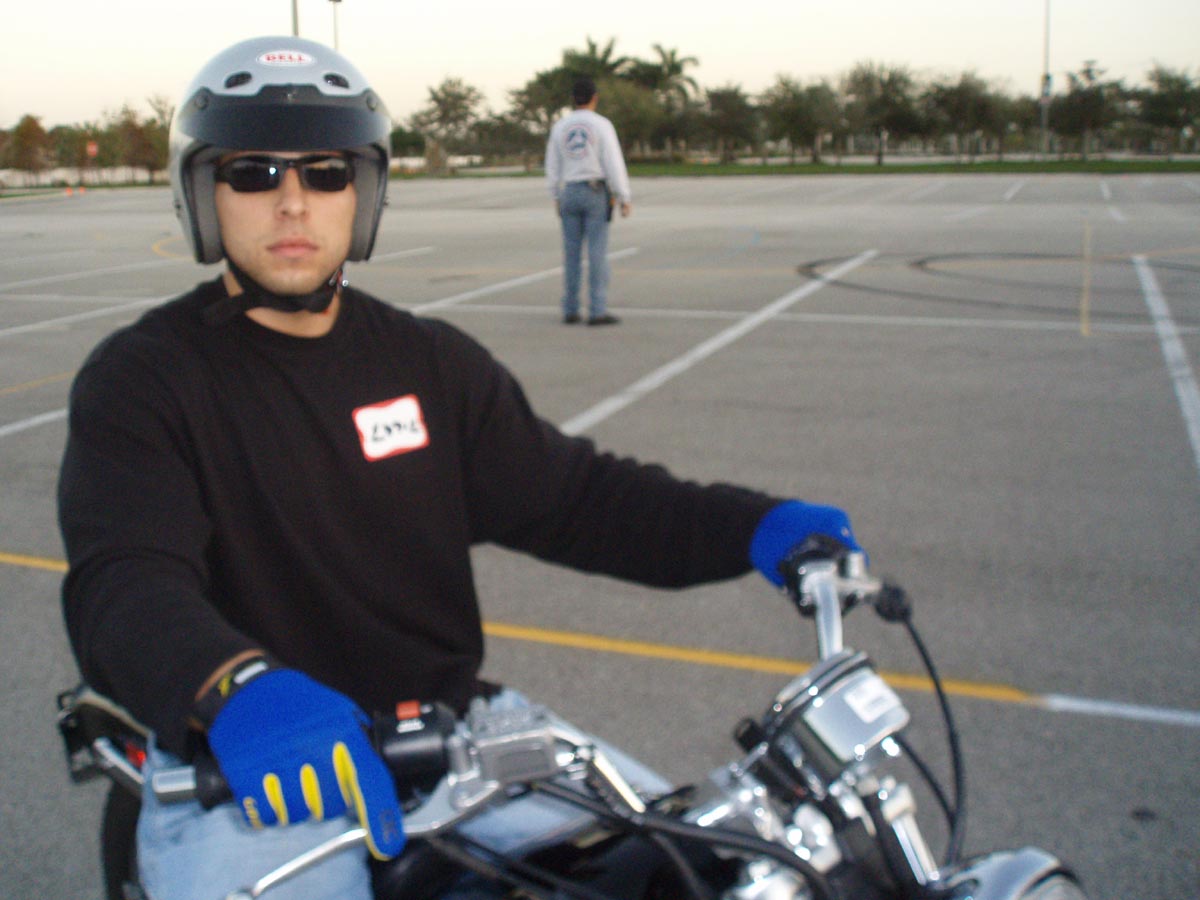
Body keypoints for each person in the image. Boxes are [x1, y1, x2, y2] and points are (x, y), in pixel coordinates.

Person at [58, 36, 863, 900]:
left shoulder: (427, 362)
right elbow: (126, 580)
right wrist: (232, 687)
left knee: (702, 868)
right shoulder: (144, 381)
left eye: (326, 173)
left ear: (363, 193)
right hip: (251, 764)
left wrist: (751, 525)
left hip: (448, 736)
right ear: (202, 196)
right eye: (252, 174)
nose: (293, 203)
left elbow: (580, 498)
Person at [544, 76, 632, 326]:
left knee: (571, 254)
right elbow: (613, 162)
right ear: (595, 98)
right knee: (597, 253)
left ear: (573, 100)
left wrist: (555, 194)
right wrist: (623, 195)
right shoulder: (602, 125)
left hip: (569, 191)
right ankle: (597, 310)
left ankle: (570, 308)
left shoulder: (560, 126)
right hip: (594, 192)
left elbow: (552, 163)